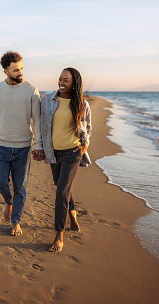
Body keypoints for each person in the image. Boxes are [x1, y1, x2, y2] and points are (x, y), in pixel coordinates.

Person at [0, 51, 45, 236]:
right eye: (16, 70)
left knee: (20, 187)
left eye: (22, 68)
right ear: (5, 71)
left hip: (24, 146)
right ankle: (9, 201)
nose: (20, 73)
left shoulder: (32, 90)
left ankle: (16, 221)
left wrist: (38, 145)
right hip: (2, 146)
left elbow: (37, 120)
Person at [40, 67, 91, 252]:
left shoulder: (82, 104)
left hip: (72, 152)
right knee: (61, 186)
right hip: (54, 152)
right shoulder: (47, 100)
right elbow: (40, 124)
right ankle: (72, 214)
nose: (61, 82)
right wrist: (39, 147)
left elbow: (88, 128)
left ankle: (59, 235)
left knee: (61, 192)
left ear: (74, 83)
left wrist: (85, 144)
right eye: (60, 78)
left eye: (66, 80)